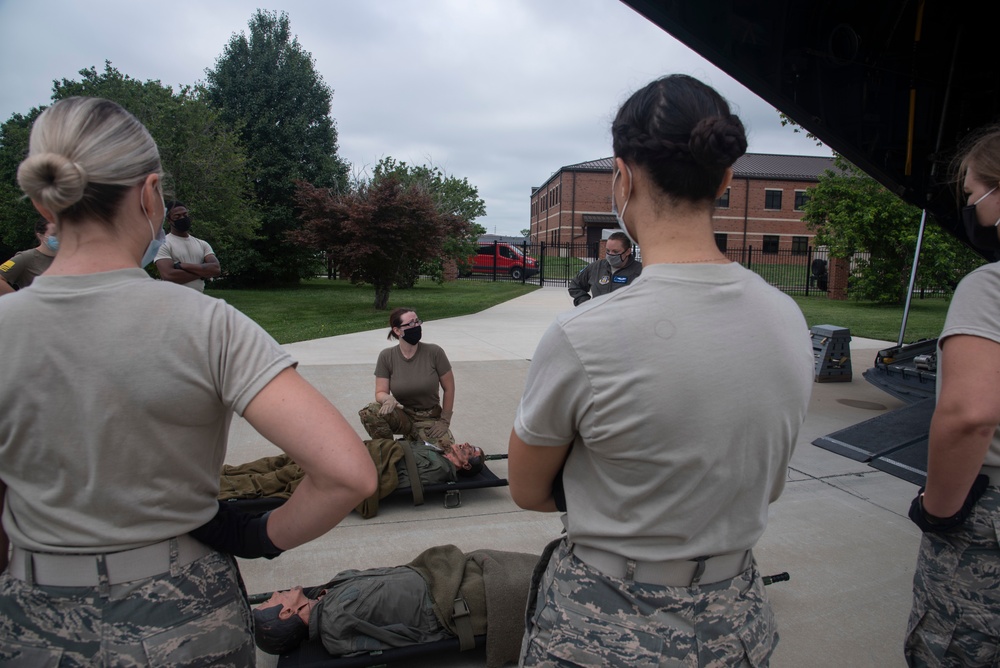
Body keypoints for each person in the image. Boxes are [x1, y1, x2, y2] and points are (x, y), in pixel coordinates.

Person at [0, 96, 377, 665]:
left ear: (42, 198)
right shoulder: (209, 325)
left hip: (30, 615)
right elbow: (347, 474)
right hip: (181, 614)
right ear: (150, 193)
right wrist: (258, 538)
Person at [508, 74, 814, 667]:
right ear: (726, 179)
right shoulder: (786, 318)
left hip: (604, 623)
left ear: (620, 176)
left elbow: (527, 490)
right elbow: (764, 478)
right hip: (736, 618)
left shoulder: (584, 335)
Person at [904, 125, 1000, 666]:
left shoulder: (989, 288)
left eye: (972, 192)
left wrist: (938, 509)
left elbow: (969, 414)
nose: (970, 204)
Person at [251, 544, 539, 668]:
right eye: (271, 600)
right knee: (542, 576)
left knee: (536, 567)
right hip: (460, 597)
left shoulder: (329, 603)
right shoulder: (337, 616)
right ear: (287, 613)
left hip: (450, 578)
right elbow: (411, 623)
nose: (276, 592)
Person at [358, 307, 457, 448]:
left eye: (417, 322)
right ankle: (390, 452)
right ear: (397, 330)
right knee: (370, 412)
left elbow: (449, 388)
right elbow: (380, 392)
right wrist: (387, 399)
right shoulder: (387, 356)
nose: (416, 326)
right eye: (411, 324)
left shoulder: (435, 352)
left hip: (428, 418)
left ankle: (413, 440)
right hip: (403, 415)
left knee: (448, 453)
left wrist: (445, 421)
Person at [153, 201, 221, 291]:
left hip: (198, 299)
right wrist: (203, 273)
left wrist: (182, 266)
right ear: (169, 220)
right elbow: (169, 276)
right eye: (177, 216)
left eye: (185, 215)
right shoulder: (163, 244)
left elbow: (216, 269)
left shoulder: (202, 244)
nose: (182, 218)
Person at [567, 230, 642, 305]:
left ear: (628, 251)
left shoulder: (640, 271)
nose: (610, 254)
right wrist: (585, 303)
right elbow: (575, 285)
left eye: (615, 252)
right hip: (598, 315)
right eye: (608, 251)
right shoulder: (596, 267)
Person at [0, 218, 58, 295]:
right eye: (54, 234)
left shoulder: (70, 258)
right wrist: (18, 300)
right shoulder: (25, 258)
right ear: (40, 236)